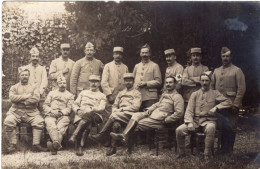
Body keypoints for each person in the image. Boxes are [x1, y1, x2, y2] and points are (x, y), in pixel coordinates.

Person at [110, 75, 184, 153]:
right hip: (154, 115)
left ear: (175, 84)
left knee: (135, 125)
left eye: (170, 82)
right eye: (166, 83)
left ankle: (128, 147)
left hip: (161, 120)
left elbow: (179, 113)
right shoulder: (165, 94)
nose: (168, 84)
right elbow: (157, 104)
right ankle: (124, 135)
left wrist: (167, 120)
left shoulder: (177, 97)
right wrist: (149, 110)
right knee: (136, 115)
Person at [176, 71, 232, 160]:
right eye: (202, 81)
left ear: (210, 82)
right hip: (195, 122)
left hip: (208, 121)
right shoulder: (194, 94)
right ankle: (181, 153)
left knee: (211, 128)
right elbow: (189, 110)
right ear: (200, 82)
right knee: (179, 130)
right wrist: (189, 123)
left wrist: (216, 108)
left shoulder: (215, 93)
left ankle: (207, 155)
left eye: (206, 81)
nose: (204, 83)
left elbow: (228, 102)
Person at [91, 73, 142, 156]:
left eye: (130, 81)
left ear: (133, 82)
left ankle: (101, 135)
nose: (128, 82)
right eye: (126, 81)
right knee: (116, 124)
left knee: (114, 116)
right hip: (119, 115)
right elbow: (115, 104)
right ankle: (113, 148)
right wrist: (114, 110)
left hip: (130, 116)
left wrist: (121, 109)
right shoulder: (121, 93)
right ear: (124, 82)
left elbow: (136, 107)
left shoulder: (137, 93)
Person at [4, 67, 47, 153]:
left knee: (39, 121)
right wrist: (25, 96)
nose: (24, 76)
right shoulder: (14, 87)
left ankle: (36, 145)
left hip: (32, 112)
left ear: (29, 76)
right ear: (19, 76)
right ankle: (13, 145)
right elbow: (12, 98)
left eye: (26, 75)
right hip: (16, 112)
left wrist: (22, 102)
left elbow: (36, 98)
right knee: (8, 121)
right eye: (22, 75)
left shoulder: (34, 87)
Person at [211, 47, 246, 154]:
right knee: (221, 126)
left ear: (231, 57)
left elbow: (241, 89)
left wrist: (236, 105)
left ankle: (228, 150)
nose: (225, 58)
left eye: (227, 56)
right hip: (219, 105)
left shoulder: (237, 70)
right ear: (221, 57)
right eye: (223, 56)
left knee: (230, 127)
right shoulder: (216, 71)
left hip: (231, 105)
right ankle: (221, 149)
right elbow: (211, 88)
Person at [69, 75, 106, 156]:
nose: (94, 83)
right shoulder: (83, 92)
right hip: (81, 114)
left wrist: (91, 109)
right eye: (92, 81)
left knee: (88, 116)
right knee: (87, 124)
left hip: (95, 115)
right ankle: (81, 146)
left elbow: (101, 108)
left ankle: (74, 135)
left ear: (99, 83)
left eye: (96, 82)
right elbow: (75, 104)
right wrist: (78, 110)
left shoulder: (102, 95)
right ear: (89, 82)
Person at [43, 75, 74, 155]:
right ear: (57, 84)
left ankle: (54, 146)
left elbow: (69, 108)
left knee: (60, 128)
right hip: (51, 114)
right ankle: (56, 144)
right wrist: (51, 111)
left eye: (64, 83)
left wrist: (61, 113)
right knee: (51, 125)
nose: (62, 84)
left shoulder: (70, 95)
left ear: (66, 84)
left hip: (64, 116)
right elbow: (45, 105)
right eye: (60, 83)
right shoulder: (51, 93)